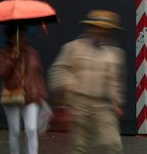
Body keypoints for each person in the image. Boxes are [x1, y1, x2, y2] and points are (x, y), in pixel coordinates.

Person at [51, 10, 125, 154]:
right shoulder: (73, 47)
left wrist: (117, 102)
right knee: (79, 147)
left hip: (103, 105)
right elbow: (59, 70)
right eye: (98, 27)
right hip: (78, 103)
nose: (101, 31)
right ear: (90, 27)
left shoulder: (114, 53)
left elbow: (115, 81)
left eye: (105, 29)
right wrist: (66, 94)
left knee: (113, 144)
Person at [0, 25, 48, 154]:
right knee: (14, 131)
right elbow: (3, 73)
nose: (20, 38)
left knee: (31, 129)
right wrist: (12, 58)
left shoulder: (31, 52)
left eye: (22, 34)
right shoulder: (3, 52)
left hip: (31, 94)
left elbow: (38, 74)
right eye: (16, 35)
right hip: (12, 94)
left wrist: (42, 95)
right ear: (10, 37)